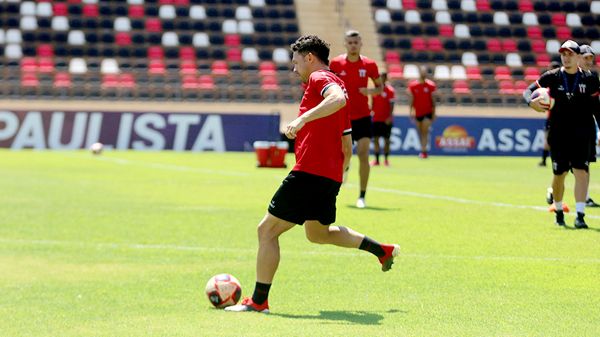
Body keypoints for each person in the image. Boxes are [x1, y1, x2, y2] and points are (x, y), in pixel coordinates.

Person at [224, 35, 400, 314]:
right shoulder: (332, 81)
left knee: (266, 231)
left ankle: (258, 302)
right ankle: (382, 250)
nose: (294, 69)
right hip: (328, 175)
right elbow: (346, 137)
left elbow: (338, 99)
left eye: (296, 62)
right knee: (318, 233)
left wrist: (302, 118)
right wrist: (341, 170)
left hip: (310, 171)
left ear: (309, 58)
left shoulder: (320, 79)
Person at [524, 40, 600, 229]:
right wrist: (531, 102)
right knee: (560, 174)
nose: (566, 58)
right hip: (558, 133)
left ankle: (580, 215)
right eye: (563, 54)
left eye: (570, 54)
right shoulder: (552, 76)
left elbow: (596, 108)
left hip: (582, 132)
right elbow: (528, 91)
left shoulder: (590, 79)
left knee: (581, 172)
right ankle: (558, 210)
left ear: (577, 57)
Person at [330, 30, 383, 209]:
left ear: (361, 43)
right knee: (343, 154)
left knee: (363, 154)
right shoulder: (336, 63)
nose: (353, 45)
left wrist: (369, 92)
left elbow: (379, 88)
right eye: (350, 42)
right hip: (342, 116)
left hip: (363, 117)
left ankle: (362, 196)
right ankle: (340, 176)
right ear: (345, 44)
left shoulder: (369, 64)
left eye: (356, 42)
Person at [578, 44, 600, 208]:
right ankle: (553, 190)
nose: (589, 61)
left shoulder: (593, 78)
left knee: (585, 164)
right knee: (564, 167)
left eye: (591, 58)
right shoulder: (568, 76)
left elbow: (596, 106)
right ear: (578, 58)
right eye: (585, 57)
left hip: (587, 128)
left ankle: (585, 197)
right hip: (568, 127)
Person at [408, 66, 437, 159]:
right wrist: (411, 112)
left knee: (425, 131)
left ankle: (424, 151)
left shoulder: (431, 85)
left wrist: (434, 113)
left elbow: (433, 101)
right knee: (420, 132)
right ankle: (422, 150)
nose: (424, 74)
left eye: (425, 73)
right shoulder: (413, 85)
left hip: (427, 113)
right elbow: (412, 100)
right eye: (422, 73)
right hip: (417, 112)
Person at [538, 61, 562, 167]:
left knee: (550, 141)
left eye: (550, 69)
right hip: (552, 118)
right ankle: (547, 161)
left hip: (555, 118)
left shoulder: (552, 87)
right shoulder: (551, 86)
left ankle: (550, 161)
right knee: (549, 141)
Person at [370, 72, 395, 166]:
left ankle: (386, 160)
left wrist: (389, 117)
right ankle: (376, 160)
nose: (381, 79)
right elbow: (373, 104)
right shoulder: (375, 90)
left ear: (386, 79)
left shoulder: (390, 90)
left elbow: (392, 105)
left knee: (386, 141)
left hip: (386, 120)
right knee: (376, 140)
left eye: (383, 77)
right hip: (376, 119)